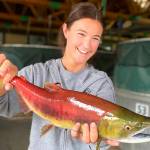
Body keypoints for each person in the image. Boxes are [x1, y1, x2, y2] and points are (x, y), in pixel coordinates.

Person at [0, 2, 119, 150]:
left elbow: (108, 141)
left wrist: (101, 143)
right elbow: (5, 106)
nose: (87, 45)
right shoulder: (36, 73)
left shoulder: (101, 83)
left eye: (95, 38)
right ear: (66, 30)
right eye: (81, 34)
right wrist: (1, 84)